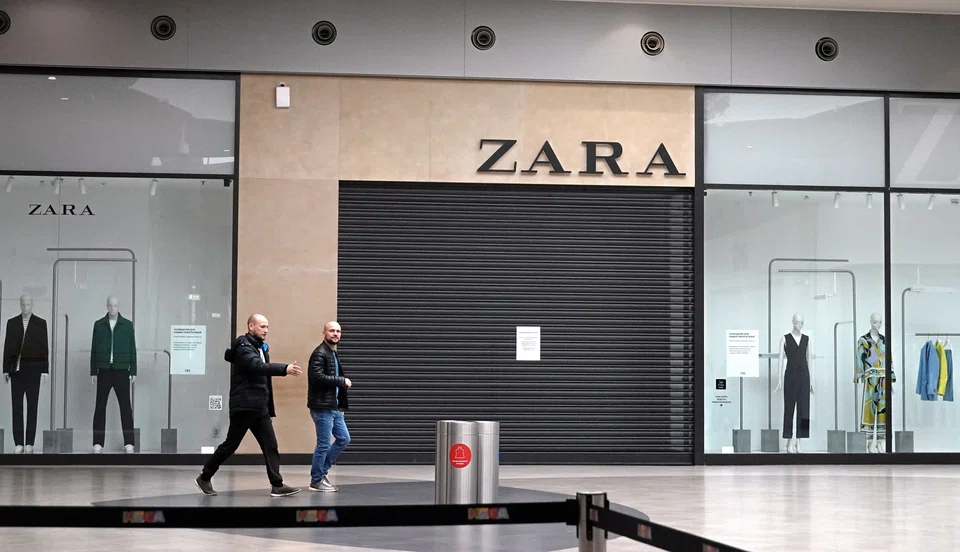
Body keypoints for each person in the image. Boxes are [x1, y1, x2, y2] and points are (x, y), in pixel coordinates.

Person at [195, 313, 302, 497]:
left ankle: (277, 485)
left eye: (267, 327)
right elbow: (256, 367)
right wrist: (284, 369)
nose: (266, 330)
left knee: (270, 445)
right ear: (251, 326)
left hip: (259, 406)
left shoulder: (259, 347)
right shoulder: (244, 347)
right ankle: (205, 476)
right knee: (230, 445)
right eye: (262, 327)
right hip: (244, 406)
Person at [307, 320, 352, 492]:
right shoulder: (319, 353)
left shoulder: (332, 353)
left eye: (338, 331)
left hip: (333, 407)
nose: (335, 334)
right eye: (332, 331)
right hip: (322, 407)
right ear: (323, 333)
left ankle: (321, 472)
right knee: (324, 444)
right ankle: (316, 480)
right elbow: (317, 377)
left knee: (344, 438)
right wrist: (342, 381)